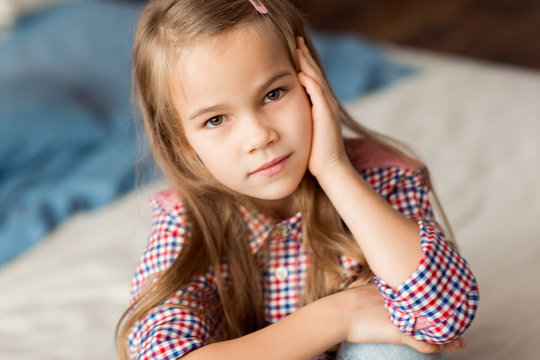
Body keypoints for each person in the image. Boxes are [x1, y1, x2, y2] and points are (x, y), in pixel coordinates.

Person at [116, 0, 479, 359]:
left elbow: (444, 317)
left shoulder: (385, 179)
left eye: (273, 94)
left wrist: (335, 168)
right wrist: (339, 315)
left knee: (392, 351)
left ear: (311, 83)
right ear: (182, 140)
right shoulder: (185, 223)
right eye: (215, 120)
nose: (259, 136)